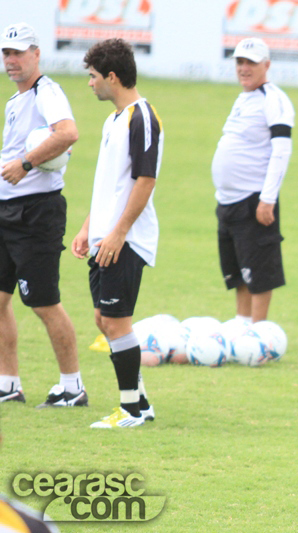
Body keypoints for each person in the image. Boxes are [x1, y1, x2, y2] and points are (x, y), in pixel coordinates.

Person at [71, 38, 162, 428]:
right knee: (102, 319)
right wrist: (88, 227)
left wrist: (118, 233)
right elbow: (109, 184)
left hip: (124, 240)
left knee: (116, 322)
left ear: (112, 76)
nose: (90, 84)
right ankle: (139, 400)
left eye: (93, 77)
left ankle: (131, 410)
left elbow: (145, 181)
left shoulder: (142, 117)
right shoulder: (113, 120)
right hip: (104, 237)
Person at [0, 22, 87, 408]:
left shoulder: (46, 92)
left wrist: (26, 162)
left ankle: (73, 387)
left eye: (19, 52)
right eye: (6, 53)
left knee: (43, 302)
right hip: (6, 210)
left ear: (36, 54)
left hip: (36, 214)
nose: (11, 60)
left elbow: (68, 133)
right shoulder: (16, 101)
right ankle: (8, 383)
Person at [211, 38, 294, 325]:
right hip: (228, 200)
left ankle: (258, 334)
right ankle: (242, 323)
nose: (244, 68)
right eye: (240, 62)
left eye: (251, 63)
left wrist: (267, 198)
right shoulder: (244, 97)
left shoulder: (274, 100)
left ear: (267, 65)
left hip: (254, 199)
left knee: (259, 271)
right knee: (238, 269)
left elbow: (281, 151)